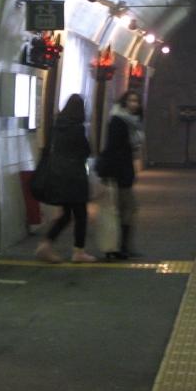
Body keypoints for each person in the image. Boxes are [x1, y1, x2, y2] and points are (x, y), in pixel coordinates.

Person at [36, 93, 96, 263]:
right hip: (74, 178)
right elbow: (85, 151)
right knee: (81, 214)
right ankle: (78, 252)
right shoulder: (77, 128)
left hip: (59, 177)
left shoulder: (57, 126)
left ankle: (45, 245)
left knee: (66, 215)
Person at [97, 88, 145, 259]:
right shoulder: (118, 121)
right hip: (118, 173)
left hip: (123, 172)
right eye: (131, 100)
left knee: (124, 209)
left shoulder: (131, 122)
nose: (134, 104)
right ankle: (119, 247)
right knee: (127, 208)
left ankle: (120, 247)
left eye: (136, 101)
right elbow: (114, 149)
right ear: (124, 102)